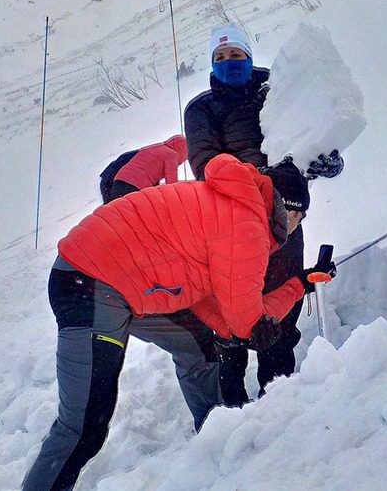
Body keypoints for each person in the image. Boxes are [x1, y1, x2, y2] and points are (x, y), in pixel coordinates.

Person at [22, 154, 335, 491]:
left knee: (196, 343)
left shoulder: (231, 206)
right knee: (83, 426)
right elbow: (246, 323)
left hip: (113, 281)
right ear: (289, 211)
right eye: (300, 218)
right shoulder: (246, 224)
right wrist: (263, 325)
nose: (296, 227)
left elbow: (225, 317)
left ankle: (217, 438)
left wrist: (299, 284)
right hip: (92, 282)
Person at [183, 22, 303, 406]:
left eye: (235, 54)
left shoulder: (275, 88)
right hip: (231, 223)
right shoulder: (201, 109)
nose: (228, 62)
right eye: (220, 57)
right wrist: (262, 182)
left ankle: (279, 396)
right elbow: (206, 164)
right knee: (233, 311)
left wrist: (325, 157)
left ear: (249, 56)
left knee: (282, 306)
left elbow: (306, 132)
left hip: (286, 217)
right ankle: (232, 405)